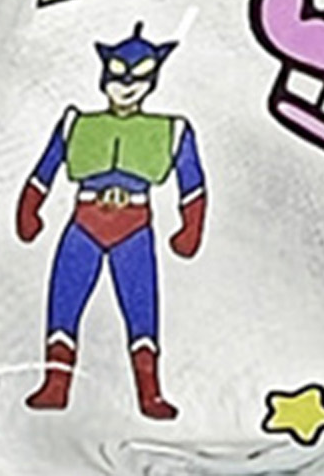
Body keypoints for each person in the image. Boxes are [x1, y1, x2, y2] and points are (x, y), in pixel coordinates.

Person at [16, 23, 204, 419]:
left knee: (141, 310)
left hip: (134, 227)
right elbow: (44, 170)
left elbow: (192, 184)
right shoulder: (77, 125)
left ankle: (149, 393)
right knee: (64, 303)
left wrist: (190, 228)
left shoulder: (170, 131)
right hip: (84, 222)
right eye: (119, 75)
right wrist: (30, 209)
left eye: (140, 77)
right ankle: (55, 384)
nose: (128, 85)